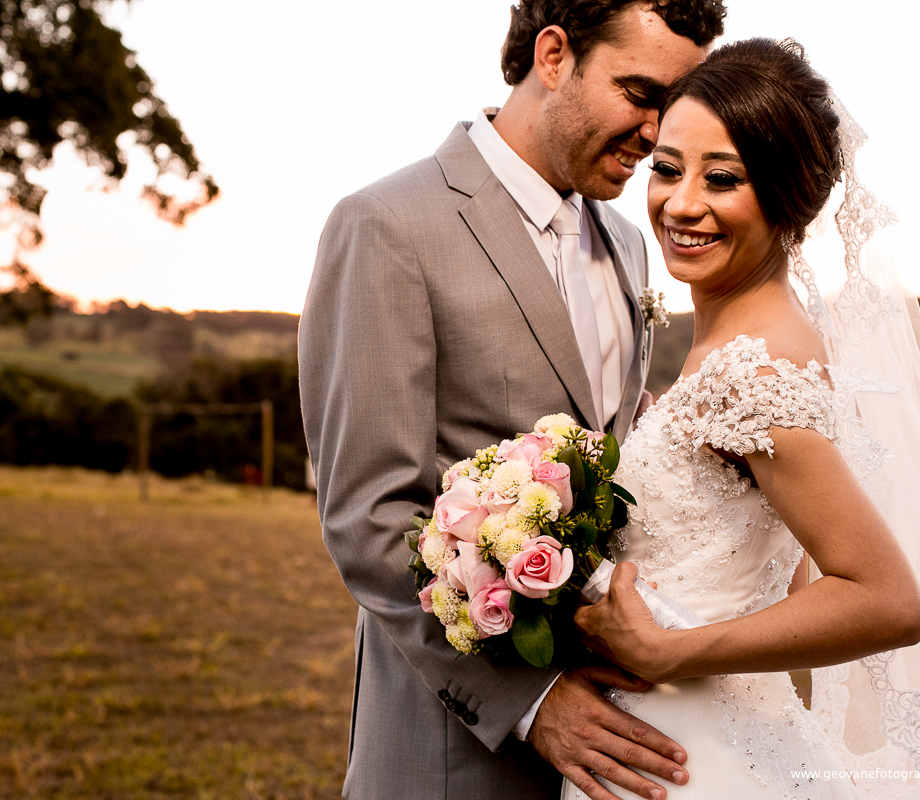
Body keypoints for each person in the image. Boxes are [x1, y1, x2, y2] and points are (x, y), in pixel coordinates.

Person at [299, 1, 726, 798]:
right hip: (452, 751)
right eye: (641, 92)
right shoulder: (387, 225)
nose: (658, 131)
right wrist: (529, 703)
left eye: (676, 103)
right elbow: (368, 515)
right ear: (554, 55)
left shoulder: (631, 243)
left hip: (618, 735)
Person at [570, 38, 920, 799]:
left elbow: (888, 600)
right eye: (667, 168)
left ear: (788, 197)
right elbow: (778, 564)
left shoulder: (755, 371)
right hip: (678, 735)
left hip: (697, 754)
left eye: (723, 178)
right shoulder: (746, 340)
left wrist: (675, 650)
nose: (680, 203)